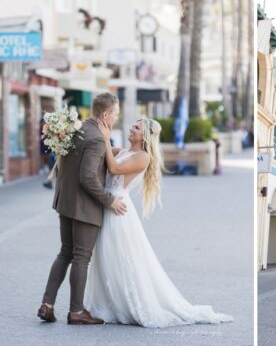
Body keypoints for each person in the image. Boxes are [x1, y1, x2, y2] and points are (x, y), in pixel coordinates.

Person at [86, 116, 232, 326]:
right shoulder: (123, 151)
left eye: (136, 128)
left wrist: (107, 141)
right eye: (133, 125)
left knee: (120, 256)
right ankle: (108, 303)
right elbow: (102, 155)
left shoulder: (143, 157)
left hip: (118, 207)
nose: (131, 129)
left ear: (144, 135)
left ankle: (127, 303)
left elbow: (114, 169)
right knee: (105, 256)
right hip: (107, 203)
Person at [39, 92, 128, 325]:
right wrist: (109, 200)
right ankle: (76, 312)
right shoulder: (98, 138)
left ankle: (46, 305)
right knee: (81, 257)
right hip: (85, 207)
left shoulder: (75, 129)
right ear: (106, 113)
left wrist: (114, 150)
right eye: (116, 114)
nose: (117, 119)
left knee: (65, 253)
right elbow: (88, 177)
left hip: (65, 202)